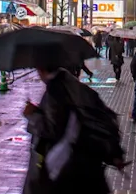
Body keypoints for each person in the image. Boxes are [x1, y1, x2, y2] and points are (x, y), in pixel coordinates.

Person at [23, 63, 126, 193]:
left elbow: (52, 130)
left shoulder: (55, 90)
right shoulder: (76, 86)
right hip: (89, 166)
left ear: (41, 69)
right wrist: (114, 153)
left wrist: (32, 114)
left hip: (68, 168)